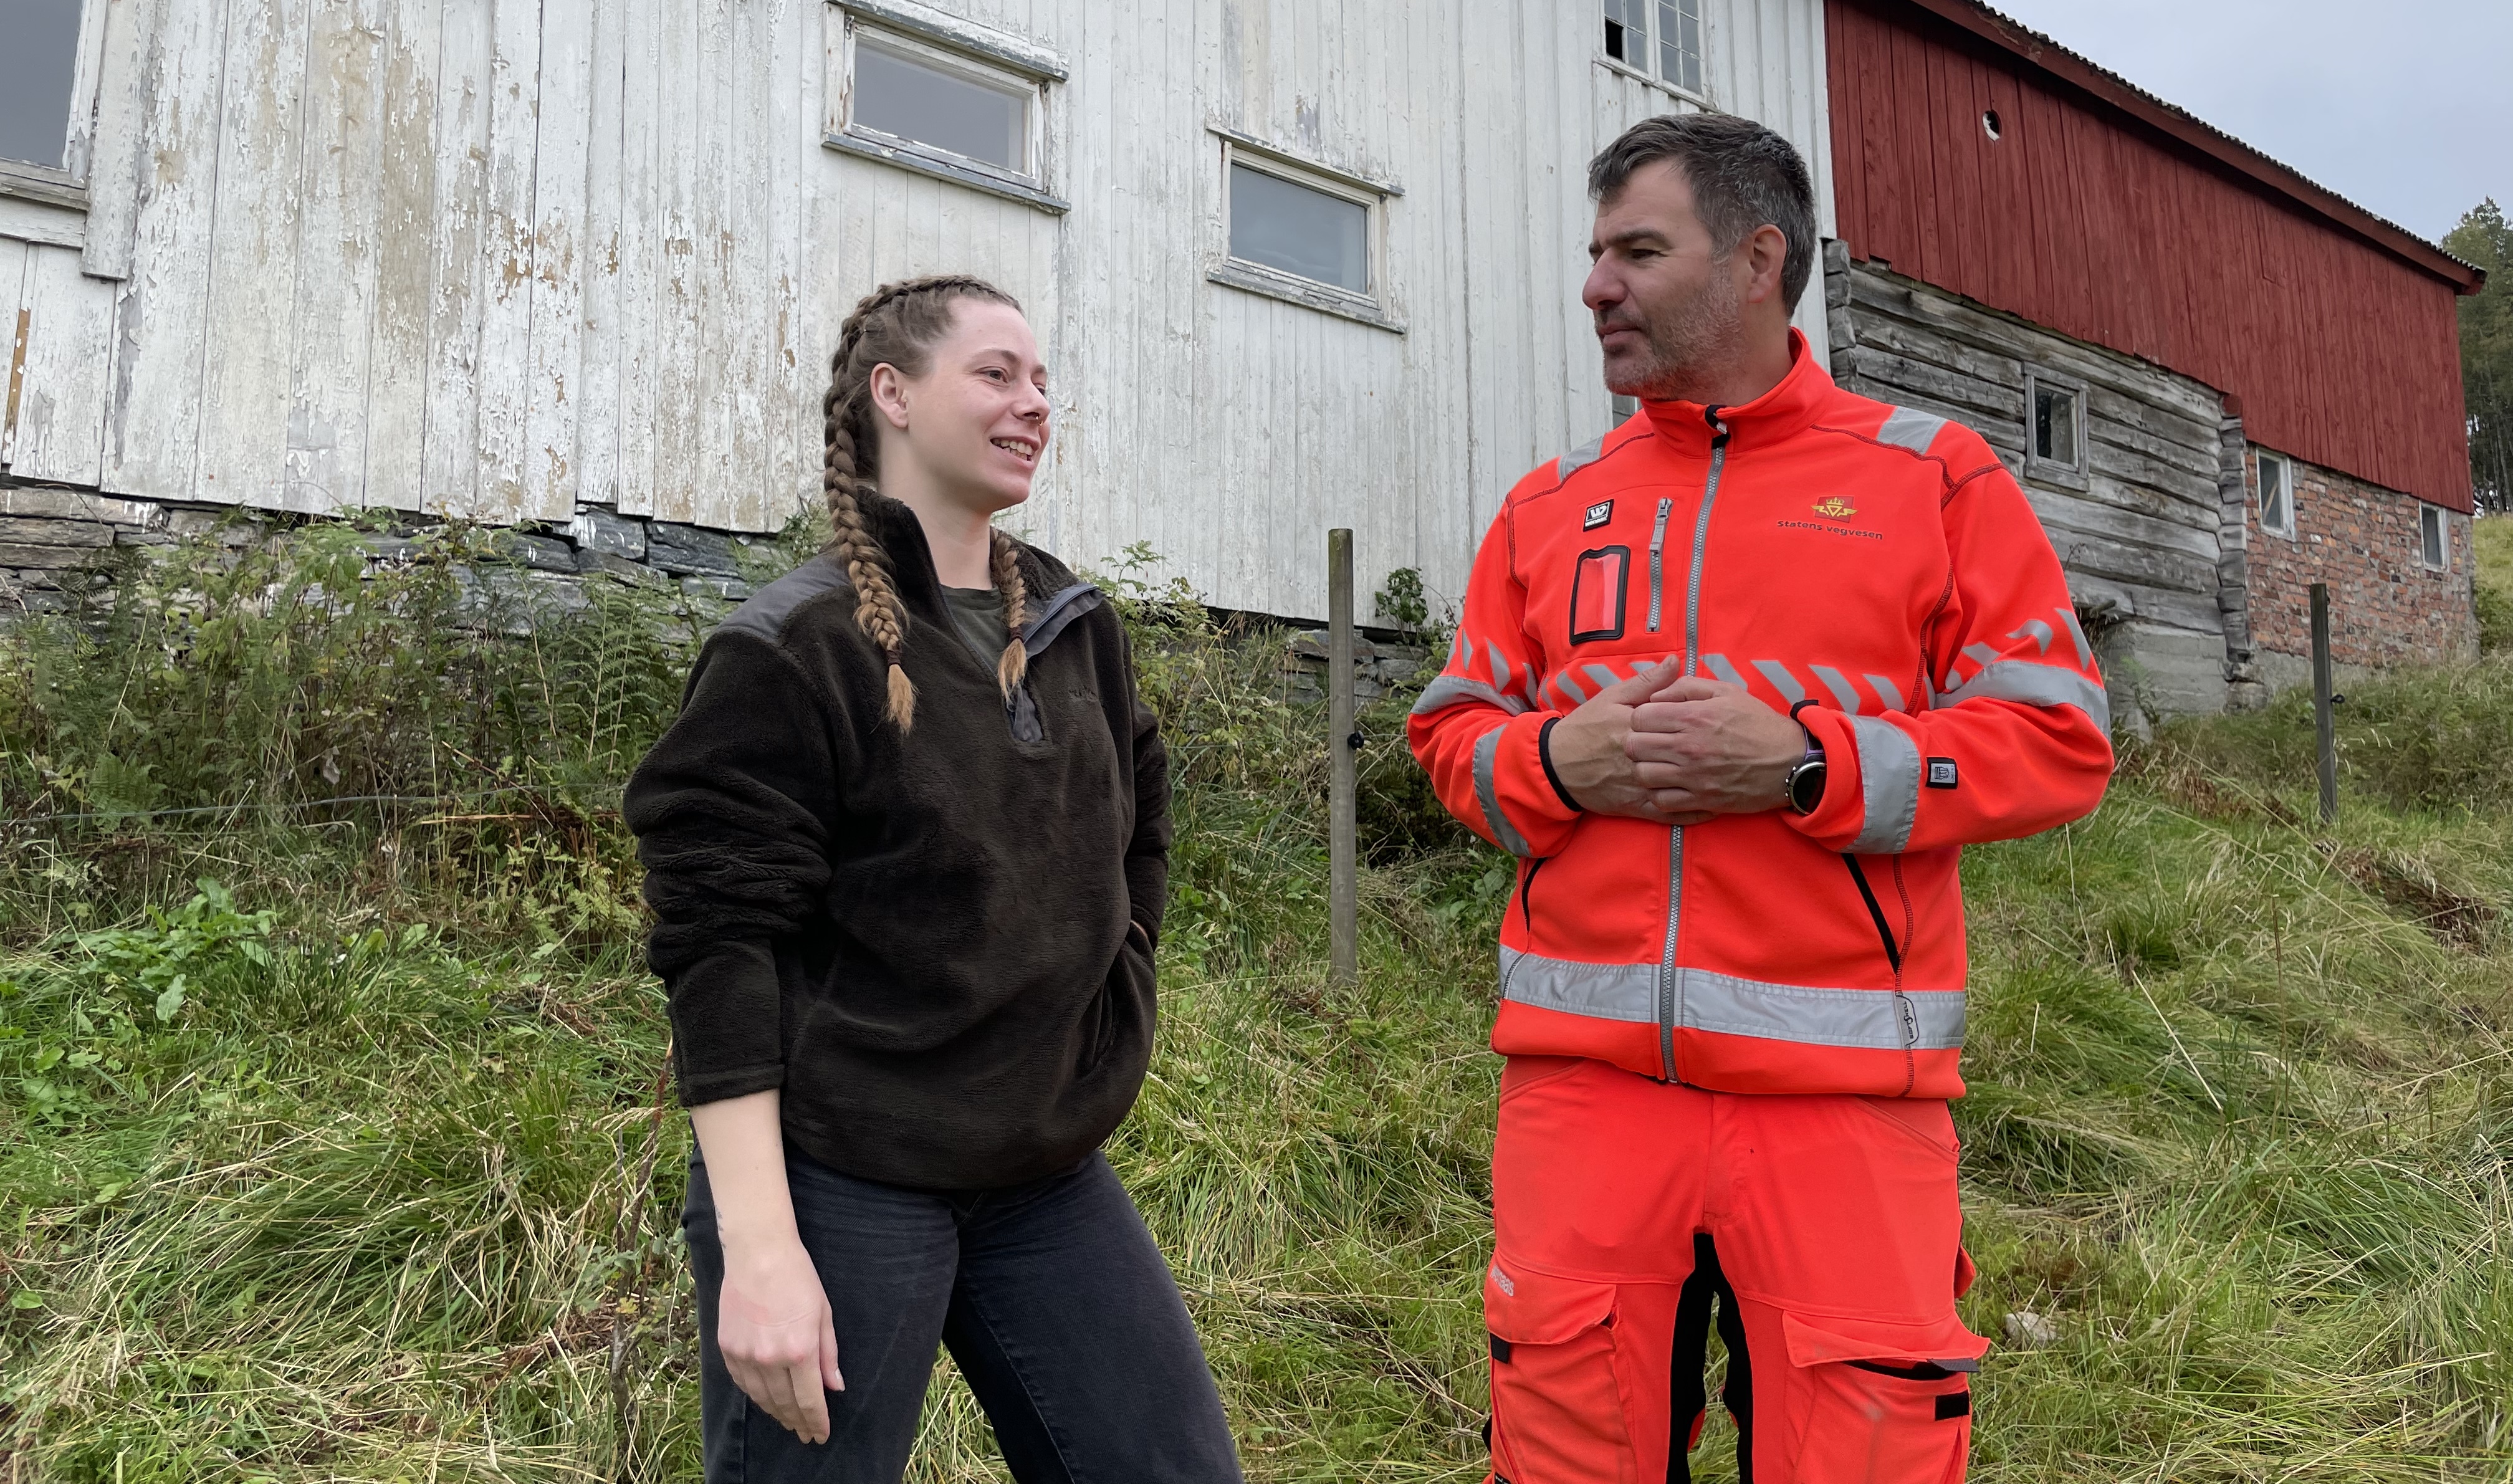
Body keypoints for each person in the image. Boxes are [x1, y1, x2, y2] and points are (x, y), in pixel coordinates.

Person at [1408, 115, 2113, 1483]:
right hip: (1584, 1096)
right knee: (1565, 1452)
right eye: (1594, 254)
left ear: (1757, 261)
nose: (1595, 286)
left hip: (1846, 1106)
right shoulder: (1550, 506)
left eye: (1637, 251)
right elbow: (1450, 740)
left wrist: (1805, 767)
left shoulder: (1932, 477)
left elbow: (2059, 737)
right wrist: (1557, 766)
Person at [627, 274, 1242, 1484]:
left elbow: (1142, 805)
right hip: (842, 1175)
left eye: (1042, 380)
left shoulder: (1072, 621)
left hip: (1044, 1173)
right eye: (998, 374)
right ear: (894, 396)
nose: (1034, 404)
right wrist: (760, 1250)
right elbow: (720, 951)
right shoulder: (792, 650)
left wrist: (1116, 985)